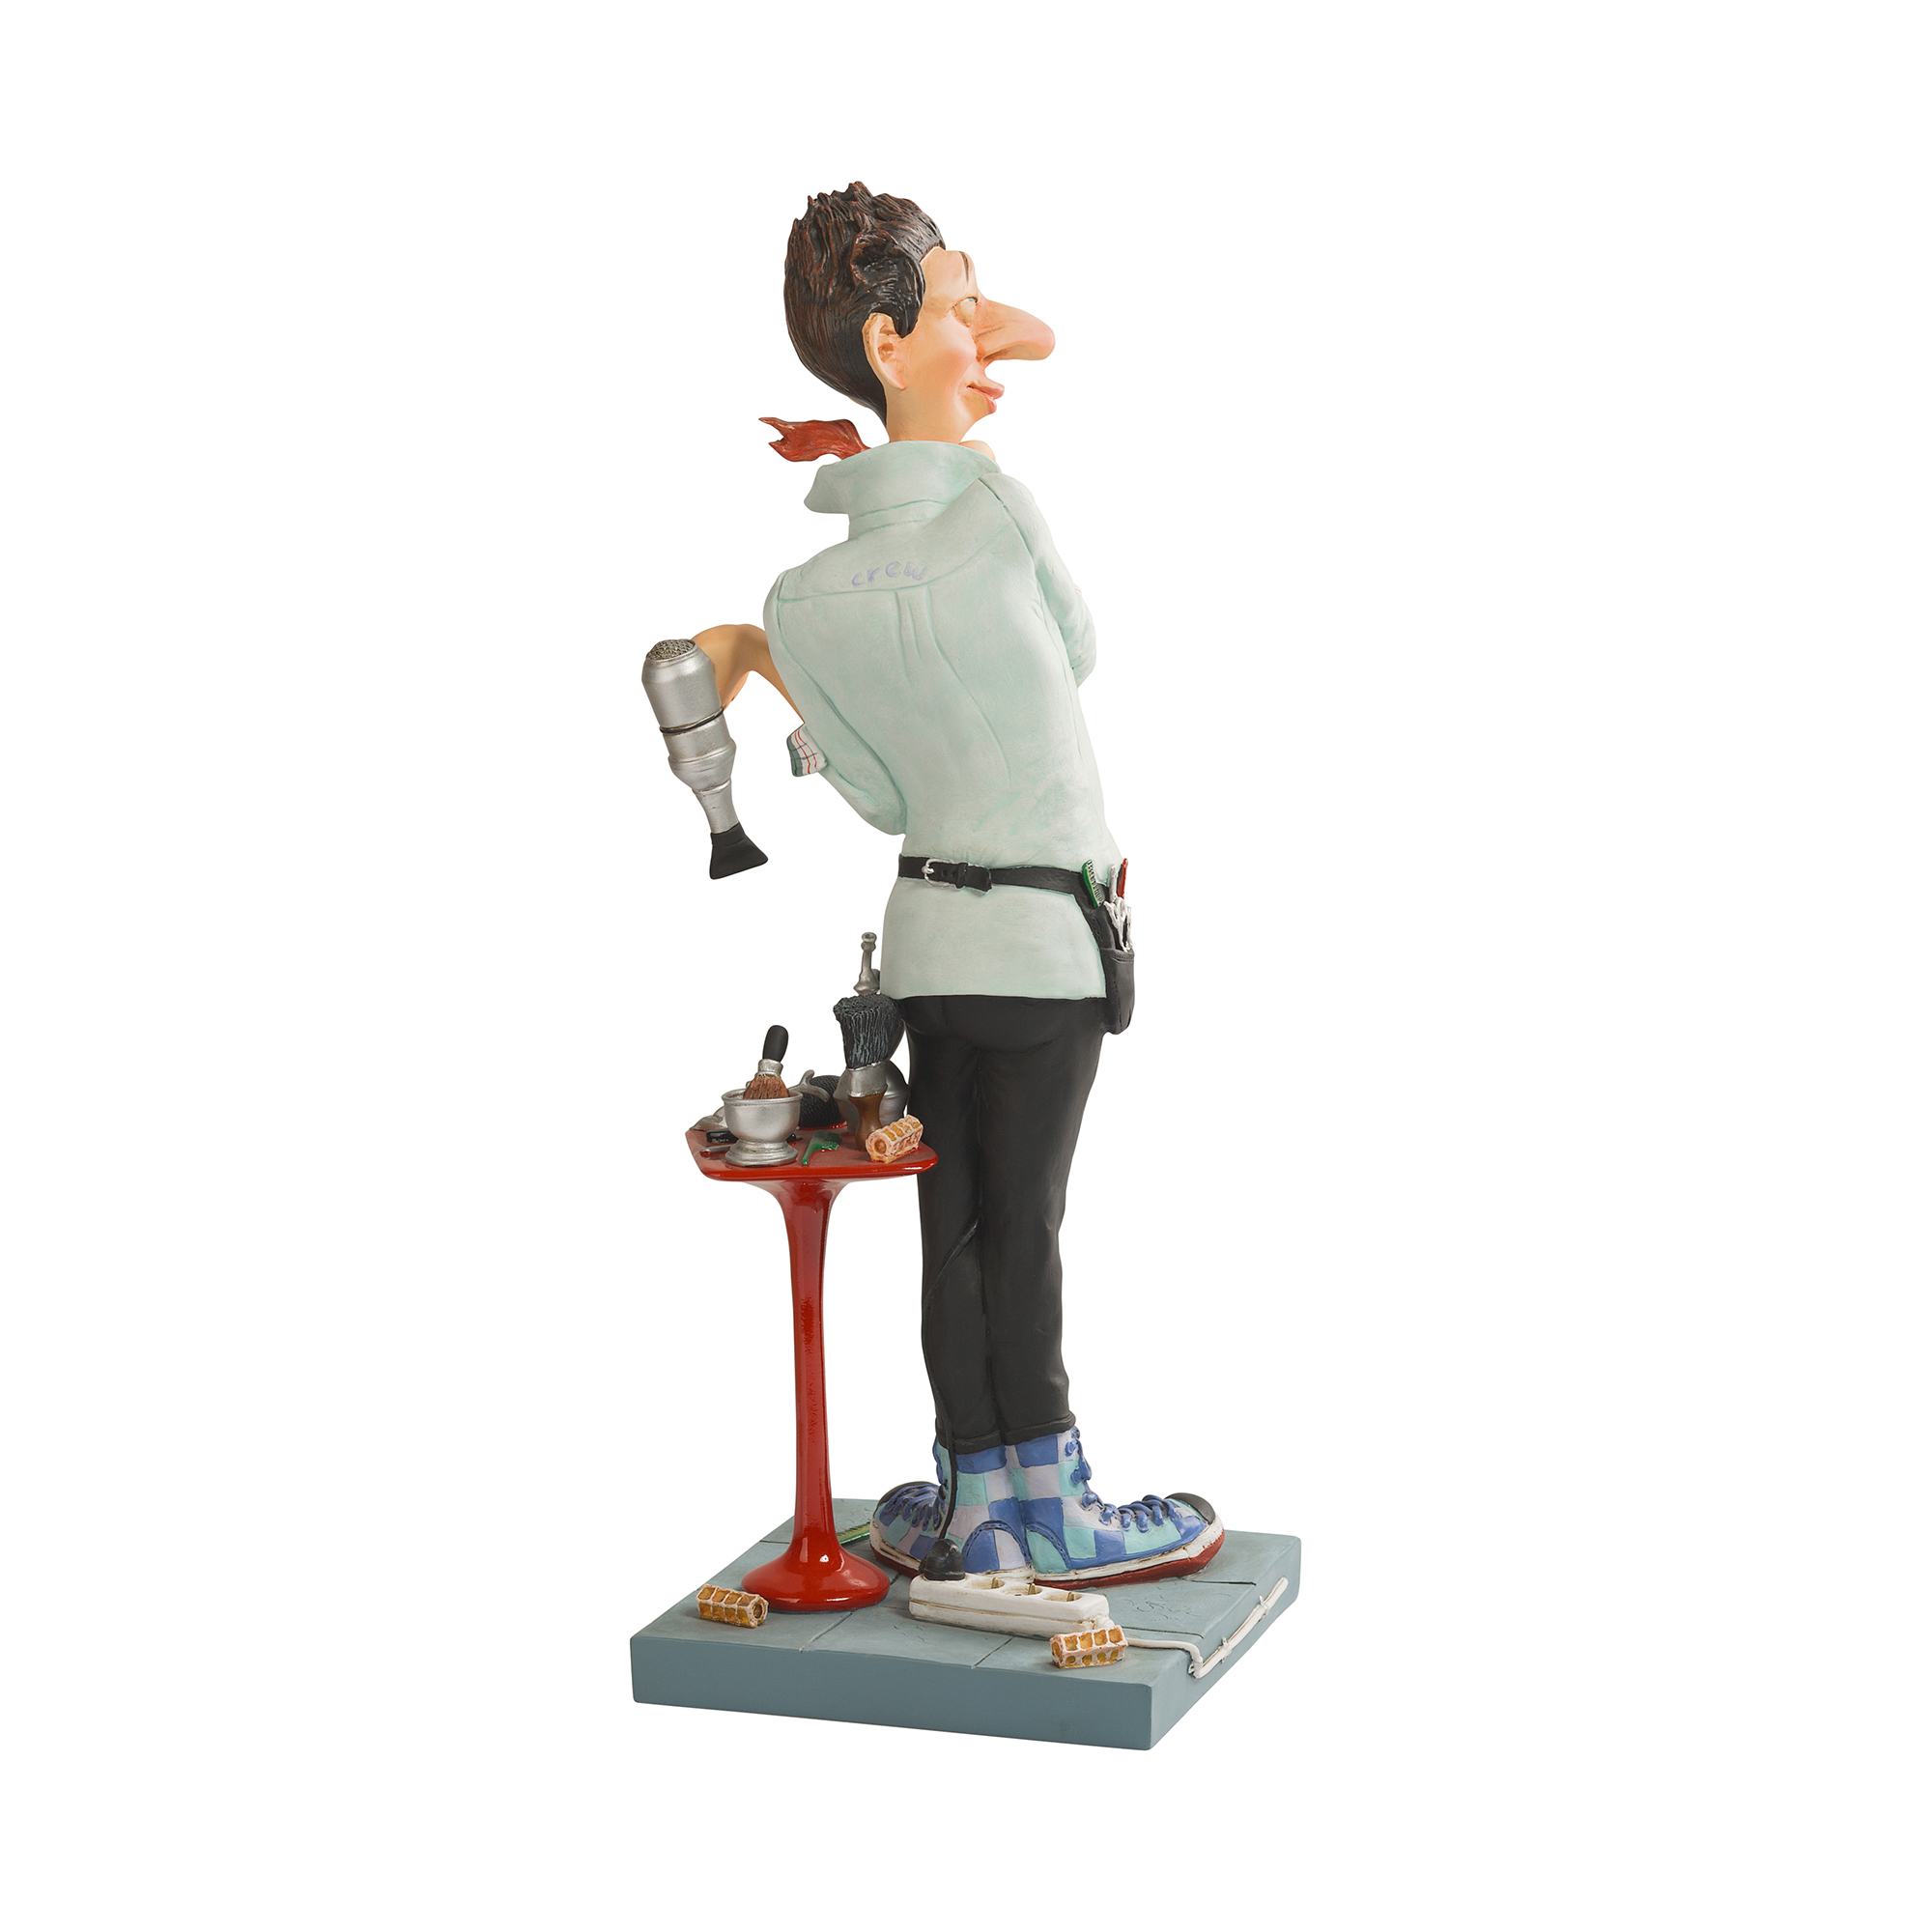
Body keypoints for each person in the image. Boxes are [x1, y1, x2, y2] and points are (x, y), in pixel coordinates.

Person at [690, 184, 1220, 1585]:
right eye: (958, 306)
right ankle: (1054, 1504)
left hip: (927, 942)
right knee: (1024, 1228)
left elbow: (876, 798)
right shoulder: (993, 504)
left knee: (956, 1227)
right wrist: (960, 399)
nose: (990, 331)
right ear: (887, 343)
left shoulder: (804, 598)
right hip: (1044, 940)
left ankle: (975, 1497)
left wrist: (758, 653)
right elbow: (1080, 650)